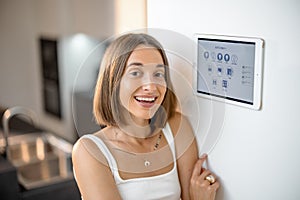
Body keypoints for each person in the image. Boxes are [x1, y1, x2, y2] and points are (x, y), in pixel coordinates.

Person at [72, 33, 220, 200]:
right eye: (136, 73)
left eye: (158, 74)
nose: (151, 86)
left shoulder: (177, 126)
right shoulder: (89, 151)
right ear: (113, 81)